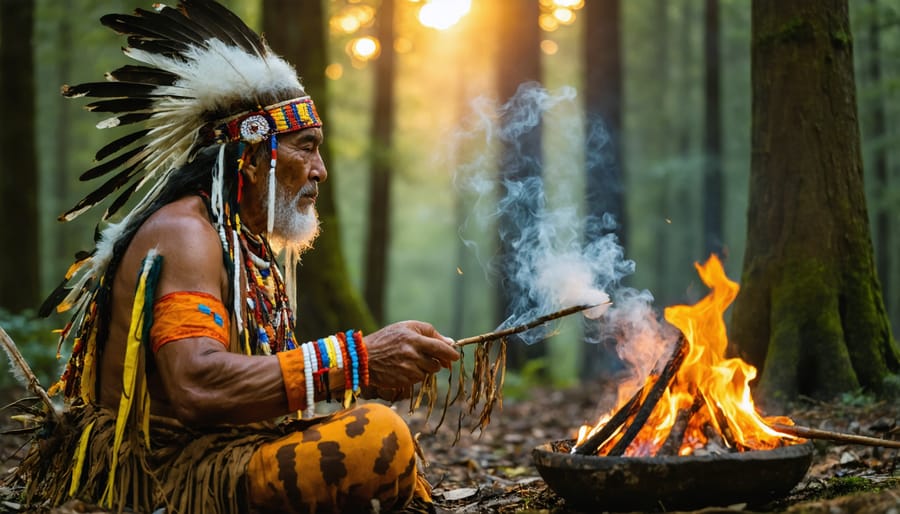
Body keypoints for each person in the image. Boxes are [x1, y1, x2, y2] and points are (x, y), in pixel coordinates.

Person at [13, 1, 459, 513]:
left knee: (374, 433)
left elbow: (247, 381)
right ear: (249, 156)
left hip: (218, 451)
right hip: (168, 471)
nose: (320, 170)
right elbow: (197, 385)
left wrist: (366, 374)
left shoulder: (238, 240)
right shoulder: (186, 233)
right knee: (378, 436)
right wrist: (356, 359)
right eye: (305, 147)